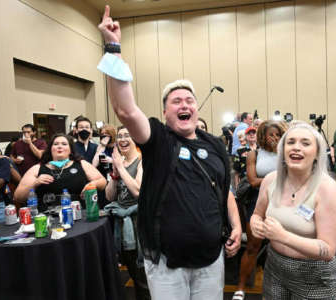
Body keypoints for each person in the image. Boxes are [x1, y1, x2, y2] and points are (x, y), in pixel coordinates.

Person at [97, 6, 242, 300]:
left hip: (211, 259)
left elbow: (223, 190)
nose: (185, 104)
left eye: (189, 99)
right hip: (166, 263)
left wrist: (236, 226)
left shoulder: (214, 143)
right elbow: (125, 108)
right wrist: (113, 48)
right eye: (176, 101)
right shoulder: (159, 140)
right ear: (165, 112)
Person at [250, 123, 336, 299]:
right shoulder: (270, 180)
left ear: (317, 153)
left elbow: (328, 250)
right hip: (274, 268)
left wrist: (281, 236)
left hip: (314, 276)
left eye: (305, 143)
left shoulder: (327, 189)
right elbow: (256, 215)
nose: (296, 148)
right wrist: (256, 224)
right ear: (283, 149)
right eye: (290, 142)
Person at [233, 120, 286, 300]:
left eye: (278, 135)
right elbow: (253, 181)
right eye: (271, 134)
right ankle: (240, 288)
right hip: (258, 201)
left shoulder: (286, 153)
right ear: (263, 136)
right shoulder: (254, 154)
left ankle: (281, 288)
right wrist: (281, 178)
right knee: (253, 247)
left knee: (282, 247)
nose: (275, 138)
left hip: (283, 202)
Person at [105, 126, 150, 300]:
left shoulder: (142, 161)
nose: (123, 139)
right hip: (123, 224)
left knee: (143, 275)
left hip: (140, 222)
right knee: (133, 272)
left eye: (127, 135)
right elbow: (110, 196)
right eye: (120, 136)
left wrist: (120, 168)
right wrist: (115, 174)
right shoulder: (120, 165)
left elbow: (138, 191)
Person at [14, 134, 106, 211]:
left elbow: (102, 182)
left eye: (64, 144)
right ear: (50, 149)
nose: (59, 146)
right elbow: (18, 197)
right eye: (56, 144)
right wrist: (35, 183)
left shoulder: (81, 164)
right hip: (47, 217)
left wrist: (93, 184)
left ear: (70, 150)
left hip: (79, 214)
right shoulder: (37, 168)